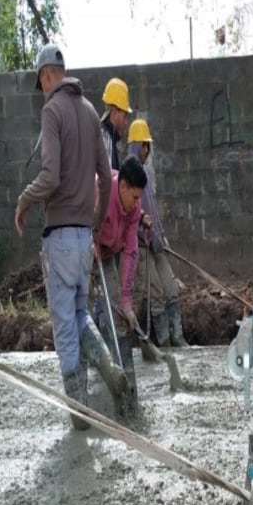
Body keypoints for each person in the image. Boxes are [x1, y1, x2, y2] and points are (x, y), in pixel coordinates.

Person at [14, 44, 130, 431]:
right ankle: (109, 369)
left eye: (41, 81)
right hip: (83, 240)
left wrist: (24, 199)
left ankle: (79, 415)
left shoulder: (52, 110)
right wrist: (96, 226)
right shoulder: (87, 113)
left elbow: (49, 177)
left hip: (59, 237)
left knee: (64, 326)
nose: (42, 88)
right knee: (80, 315)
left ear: (47, 75)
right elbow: (106, 177)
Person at [128, 119, 189, 348]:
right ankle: (164, 342)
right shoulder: (129, 173)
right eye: (145, 145)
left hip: (154, 240)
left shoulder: (146, 172)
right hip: (140, 245)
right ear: (139, 145)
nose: (147, 150)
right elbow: (131, 210)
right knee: (156, 293)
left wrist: (160, 233)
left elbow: (153, 206)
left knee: (170, 288)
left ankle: (178, 337)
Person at [95, 156, 148, 414]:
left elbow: (130, 253)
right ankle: (94, 371)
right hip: (85, 247)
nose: (137, 204)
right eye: (135, 197)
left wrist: (126, 303)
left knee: (117, 316)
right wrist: (89, 241)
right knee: (83, 314)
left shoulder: (133, 210)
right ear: (123, 186)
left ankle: (128, 394)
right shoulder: (100, 192)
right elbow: (82, 219)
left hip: (108, 253)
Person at [100, 77, 132, 170]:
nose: (126, 122)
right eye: (125, 116)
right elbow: (108, 181)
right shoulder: (105, 139)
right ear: (114, 112)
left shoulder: (105, 137)